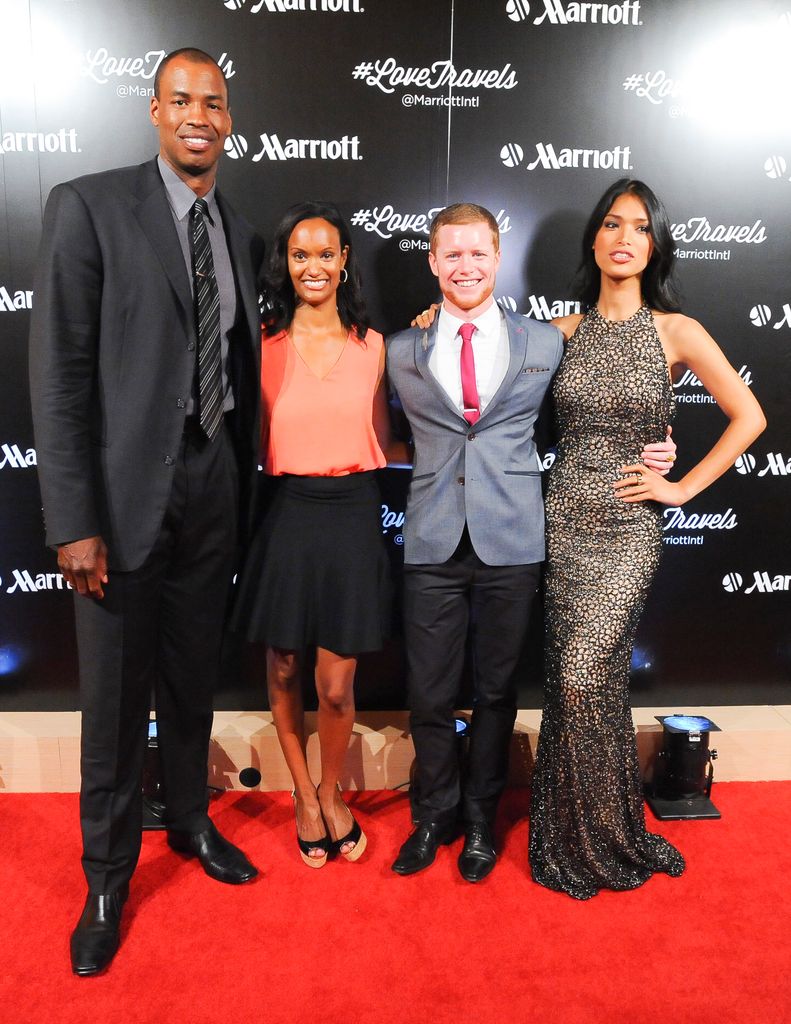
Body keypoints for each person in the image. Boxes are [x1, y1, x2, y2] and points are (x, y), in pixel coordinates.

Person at [29, 48, 265, 975]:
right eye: (181, 100)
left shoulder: (239, 232)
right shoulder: (88, 207)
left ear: (229, 118)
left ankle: (193, 828)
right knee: (114, 704)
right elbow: (58, 377)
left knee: (191, 682)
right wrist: (71, 518)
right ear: (155, 112)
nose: (198, 115)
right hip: (120, 504)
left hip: (213, 491)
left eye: (214, 102)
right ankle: (105, 877)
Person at [387, 203, 676, 883]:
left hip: (514, 541)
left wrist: (660, 450)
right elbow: (379, 437)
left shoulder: (546, 342)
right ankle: (434, 817)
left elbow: (603, 405)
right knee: (428, 696)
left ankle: (483, 821)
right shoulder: (400, 348)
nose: (464, 266)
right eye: (450, 254)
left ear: (496, 257)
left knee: (494, 693)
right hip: (430, 540)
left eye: (477, 253)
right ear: (432, 262)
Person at [529, 178, 766, 899]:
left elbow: (748, 416)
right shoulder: (560, 332)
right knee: (584, 686)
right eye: (610, 225)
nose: (623, 237)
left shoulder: (676, 331)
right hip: (562, 519)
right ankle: (582, 832)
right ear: (594, 242)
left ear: (653, 243)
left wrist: (680, 486)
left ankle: (602, 832)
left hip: (629, 527)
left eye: (637, 227)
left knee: (581, 674)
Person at [232, 202, 407, 868]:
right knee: (282, 666)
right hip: (284, 512)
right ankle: (305, 797)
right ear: (285, 263)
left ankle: (334, 791)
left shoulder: (376, 347)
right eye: (299, 254)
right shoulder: (261, 345)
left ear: (343, 262)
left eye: (325, 253)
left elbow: (398, 437)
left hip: (354, 513)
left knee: (335, 686)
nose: (313, 265)